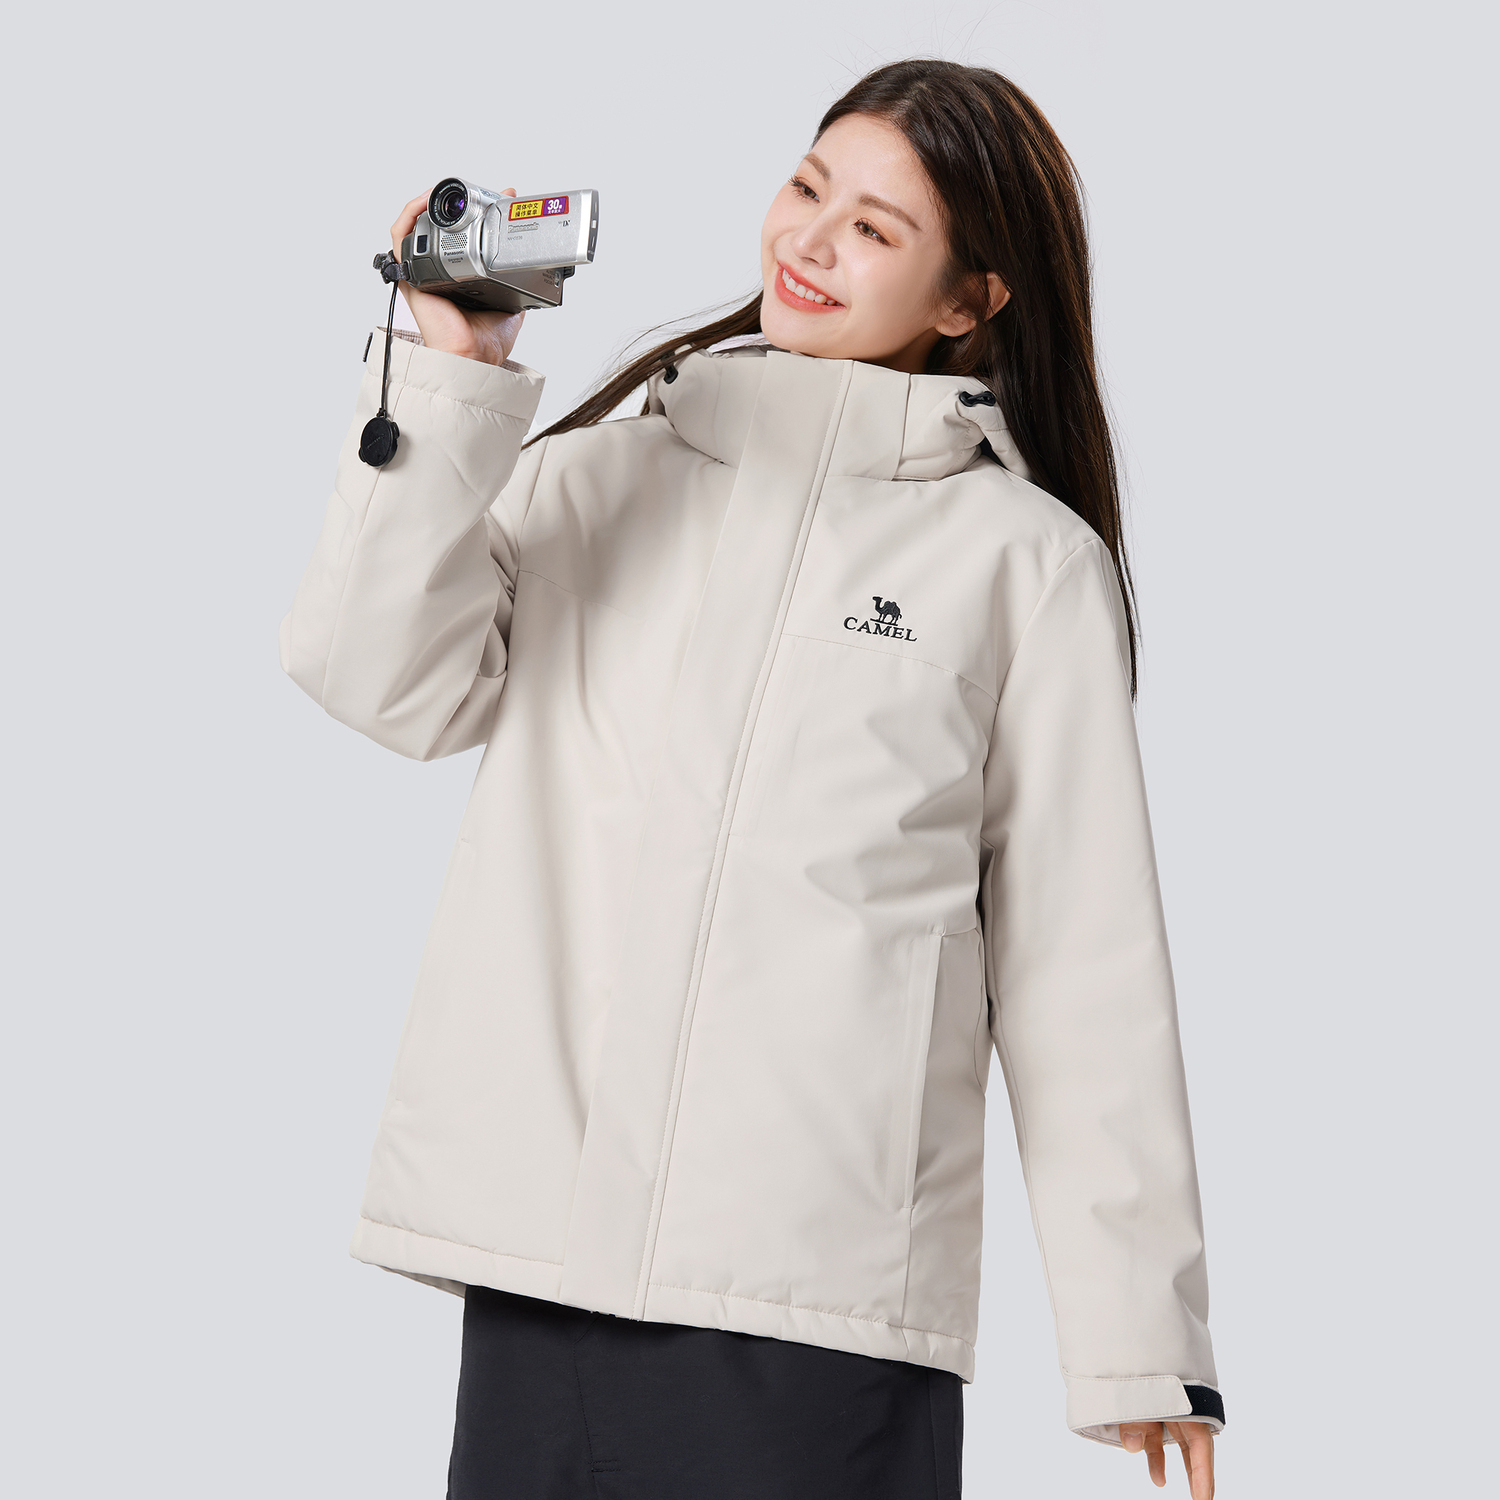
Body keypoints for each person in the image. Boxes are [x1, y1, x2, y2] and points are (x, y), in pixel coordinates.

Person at [280, 58, 1223, 1500]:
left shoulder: (1021, 566)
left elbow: (1080, 968)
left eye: (875, 228)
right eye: (807, 188)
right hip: (542, 1275)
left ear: (970, 299)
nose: (811, 240)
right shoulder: (596, 482)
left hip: (818, 1313)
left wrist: (1140, 1346)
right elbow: (379, 680)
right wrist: (451, 374)